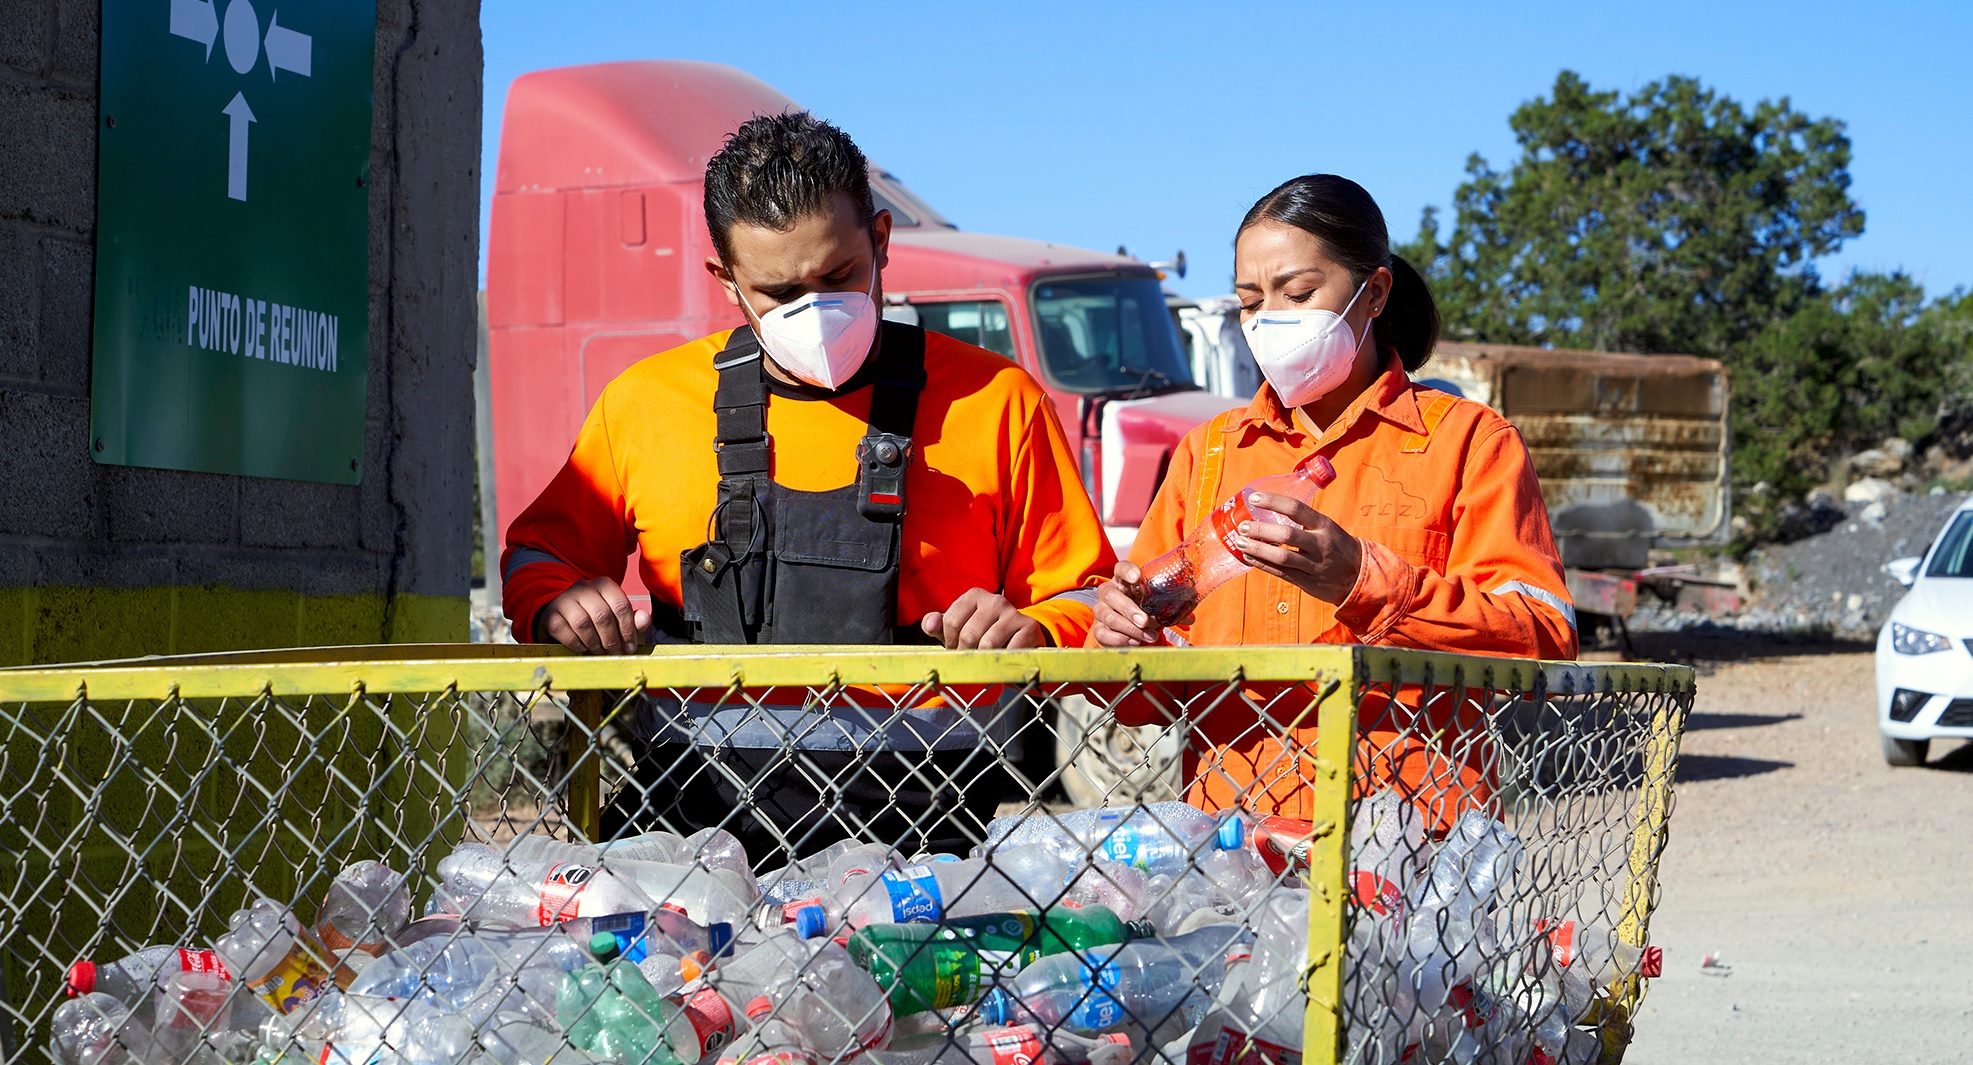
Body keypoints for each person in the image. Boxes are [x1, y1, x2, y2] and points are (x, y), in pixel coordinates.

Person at [502, 112, 1114, 862]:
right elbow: (536, 554)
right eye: (779, 291)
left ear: (882, 241)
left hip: (927, 851)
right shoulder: (647, 405)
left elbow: (1086, 596)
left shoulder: (995, 401)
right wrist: (556, 600)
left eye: (839, 277)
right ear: (724, 279)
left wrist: (1034, 628)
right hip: (698, 846)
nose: (814, 310)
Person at [1090, 174, 1577, 832]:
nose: (1267, 321)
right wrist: (1122, 639)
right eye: (1249, 301)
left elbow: (1542, 638)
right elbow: (1144, 693)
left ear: (1373, 292)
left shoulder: (1468, 442)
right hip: (1236, 849)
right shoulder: (1205, 456)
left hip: (1409, 849)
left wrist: (1362, 581)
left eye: (1296, 293)